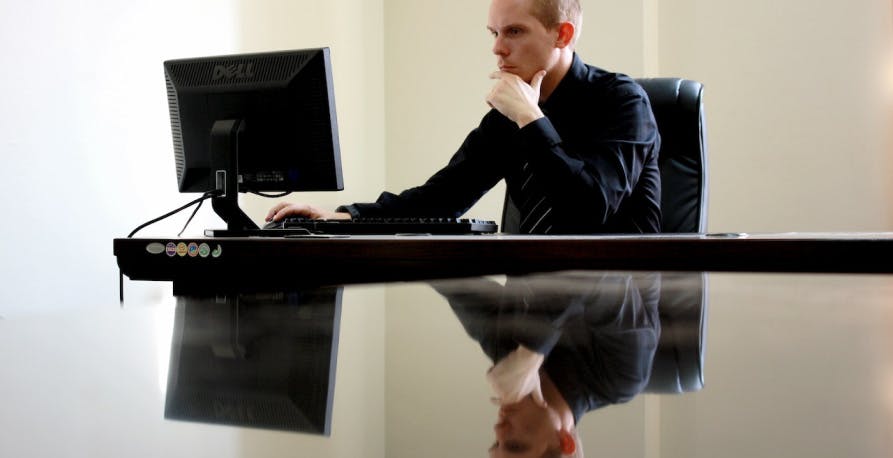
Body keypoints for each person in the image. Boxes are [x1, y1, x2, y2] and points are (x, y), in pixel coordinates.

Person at [267, 0, 661, 234]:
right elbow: (441, 198)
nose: (497, 49)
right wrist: (343, 217)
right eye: (494, 33)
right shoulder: (509, 114)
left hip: (615, 309)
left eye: (514, 32)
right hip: (532, 302)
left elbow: (590, 208)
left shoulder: (623, 102)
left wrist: (530, 118)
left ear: (562, 35)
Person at [431, 271, 662, 457]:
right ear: (565, 441)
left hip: (533, 230)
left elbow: (450, 277)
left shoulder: (507, 354)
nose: (498, 429)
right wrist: (531, 353)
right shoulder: (621, 377)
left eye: (495, 443)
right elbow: (592, 269)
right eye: (515, 445)